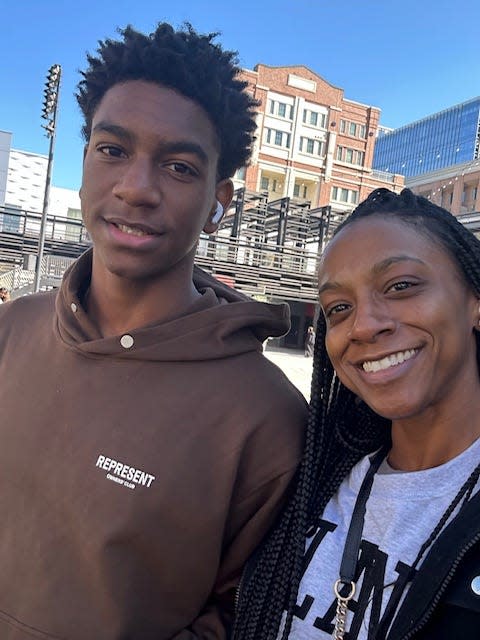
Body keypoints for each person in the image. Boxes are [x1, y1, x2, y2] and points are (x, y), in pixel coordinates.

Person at [0, 23, 307, 640]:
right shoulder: (12, 327)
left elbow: (244, 614)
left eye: (178, 166)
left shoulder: (268, 417)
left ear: (219, 201)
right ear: (84, 161)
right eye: (112, 150)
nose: (136, 188)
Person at [234, 187, 480, 640]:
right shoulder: (311, 473)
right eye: (339, 308)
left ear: (474, 301)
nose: (364, 325)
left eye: (401, 286)